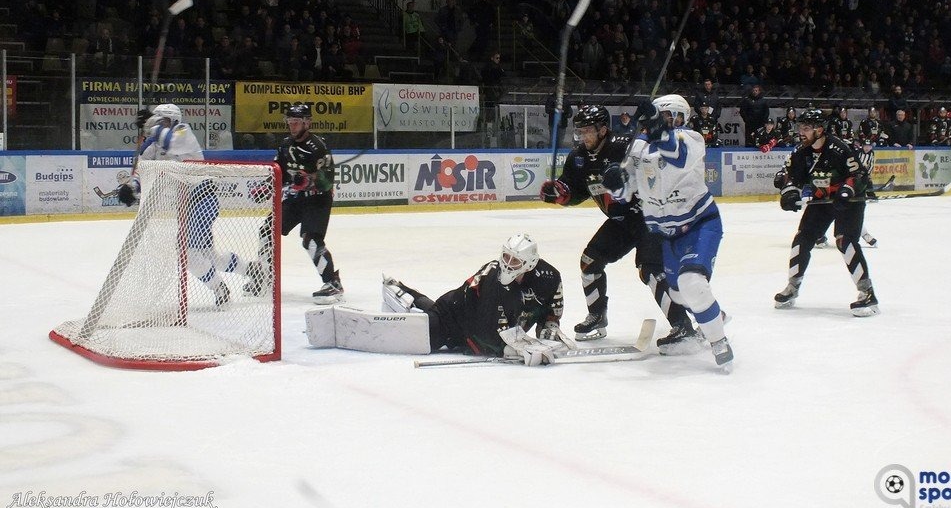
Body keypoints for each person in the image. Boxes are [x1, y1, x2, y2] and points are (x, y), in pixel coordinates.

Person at [539, 104, 702, 354]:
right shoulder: (578, 158)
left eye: (588, 131)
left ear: (603, 129)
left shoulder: (626, 146)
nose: (583, 136)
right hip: (621, 221)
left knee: (650, 269)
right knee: (589, 261)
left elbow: (658, 170)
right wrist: (560, 193)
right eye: (580, 131)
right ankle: (597, 317)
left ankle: (683, 326)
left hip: (649, 217)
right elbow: (575, 190)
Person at [601, 95, 734, 369]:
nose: (664, 121)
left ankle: (719, 343)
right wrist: (615, 182)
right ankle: (714, 315)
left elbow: (678, 155)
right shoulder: (639, 146)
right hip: (667, 233)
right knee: (678, 295)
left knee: (692, 282)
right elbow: (627, 192)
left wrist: (656, 127)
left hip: (699, 223)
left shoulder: (691, 139)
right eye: (660, 116)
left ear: (679, 116)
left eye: (666, 116)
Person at [117, 103, 252, 306]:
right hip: (186, 205)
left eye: (163, 121)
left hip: (203, 199)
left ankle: (219, 288)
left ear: (174, 121)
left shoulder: (183, 133)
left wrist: (152, 125)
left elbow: (170, 142)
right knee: (208, 256)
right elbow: (143, 170)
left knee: (187, 253)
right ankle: (251, 269)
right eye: (158, 120)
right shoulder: (154, 143)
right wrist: (131, 187)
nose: (160, 124)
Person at [382, 234, 569, 365]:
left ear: (530, 263)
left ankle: (404, 293)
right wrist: (511, 348)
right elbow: (488, 329)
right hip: (452, 319)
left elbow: (551, 313)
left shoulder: (550, 277)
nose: (507, 264)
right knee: (422, 334)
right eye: (506, 257)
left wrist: (549, 331)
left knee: (429, 315)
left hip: (473, 326)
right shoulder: (493, 279)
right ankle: (398, 292)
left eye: (515, 261)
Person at [775, 109, 880, 316]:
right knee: (802, 238)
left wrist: (846, 190)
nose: (801, 132)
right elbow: (788, 176)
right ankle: (792, 287)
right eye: (800, 127)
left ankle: (867, 293)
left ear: (820, 130)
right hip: (821, 200)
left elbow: (859, 175)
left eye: (806, 128)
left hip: (848, 201)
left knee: (844, 241)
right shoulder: (801, 151)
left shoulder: (839, 148)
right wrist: (789, 194)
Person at [258, 103, 341, 303]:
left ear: (307, 123)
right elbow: (277, 171)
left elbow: (327, 180)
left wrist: (309, 180)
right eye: (290, 121)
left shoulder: (318, 147)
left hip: (317, 199)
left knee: (310, 240)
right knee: (267, 231)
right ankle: (263, 278)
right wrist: (265, 186)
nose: (292, 125)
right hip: (296, 199)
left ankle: (333, 283)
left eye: (296, 122)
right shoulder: (285, 145)